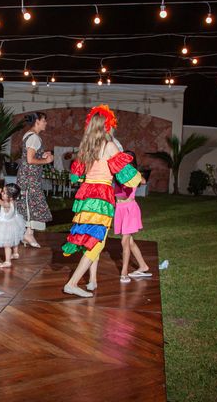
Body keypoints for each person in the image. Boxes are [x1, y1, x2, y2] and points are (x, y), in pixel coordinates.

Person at [62, 105, 142, 298]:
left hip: (86, 197)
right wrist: (137, 176)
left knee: (92, 239)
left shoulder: (86, 147)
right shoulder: (109, 146)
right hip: (101, 198)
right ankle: (72, 283)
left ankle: (92, 280)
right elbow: (128, 178)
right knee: (97, 240)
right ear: (108, 125)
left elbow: (76, 176)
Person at [16, 112, 54, 248]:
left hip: (28, 176)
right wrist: (46, 160)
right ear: (37, 121)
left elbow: (30, 154)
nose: (46, 123)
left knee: (30, 202)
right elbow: (30, 159)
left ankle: (28, 233)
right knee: (31, 202)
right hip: (30, 177)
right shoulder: (34, 138)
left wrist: (42, 154)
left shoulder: (29, 135)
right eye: (44, 120)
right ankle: (28, 233)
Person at [113, 150, 151, 283]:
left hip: (130, 210)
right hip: (120, 209)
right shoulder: (117, 173)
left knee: (124, 241)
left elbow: (144, 181)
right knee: (129, 242)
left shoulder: (134, 174)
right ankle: (143, 266)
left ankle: (124, 273)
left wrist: (135, 175)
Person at [0, 183, 25, 268]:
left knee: (7, 245)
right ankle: (15, 253)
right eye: (2, 191)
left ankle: (7, 261)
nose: (2, 193)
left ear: (11, 197)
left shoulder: (6, 204)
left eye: (4, 193)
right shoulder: (13, 201)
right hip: (13, 223)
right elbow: (1, 191)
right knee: (14, 239)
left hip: (5, 226)